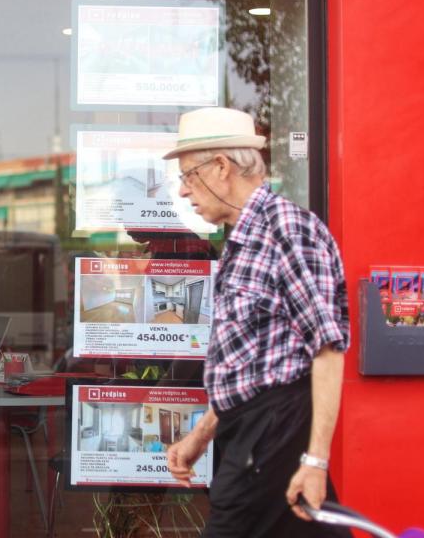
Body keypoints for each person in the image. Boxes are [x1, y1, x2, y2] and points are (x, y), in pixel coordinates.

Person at [162, 107, 350, 537]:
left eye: (189, 175)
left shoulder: (285, 229)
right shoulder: (243, 239)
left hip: (276, 427)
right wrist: (200, 437)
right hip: (250, 428)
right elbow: (243, 365)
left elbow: (327, 348)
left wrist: (315, 461)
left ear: (222, 167)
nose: (184, 191)